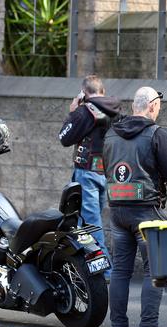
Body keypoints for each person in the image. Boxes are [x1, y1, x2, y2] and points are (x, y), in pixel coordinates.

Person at [103, 86, 167, 327]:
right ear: (151, 106)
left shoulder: (112, 133)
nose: (158, 109)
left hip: (117, 211)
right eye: (158, 105)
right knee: (154, 270)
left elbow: (108, 168)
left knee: (120, 271)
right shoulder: (155, 133)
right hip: (147, 211)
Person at [58, 75, 120, 279]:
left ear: (84, 93)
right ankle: (89, 267)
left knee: (90, 225)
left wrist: (72, 113)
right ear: (102, 91)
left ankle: (105, 272)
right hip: (106, 172)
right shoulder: (116, 110)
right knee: (90, 222)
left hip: (87, 174)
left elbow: (64, 138)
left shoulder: (84, 112)